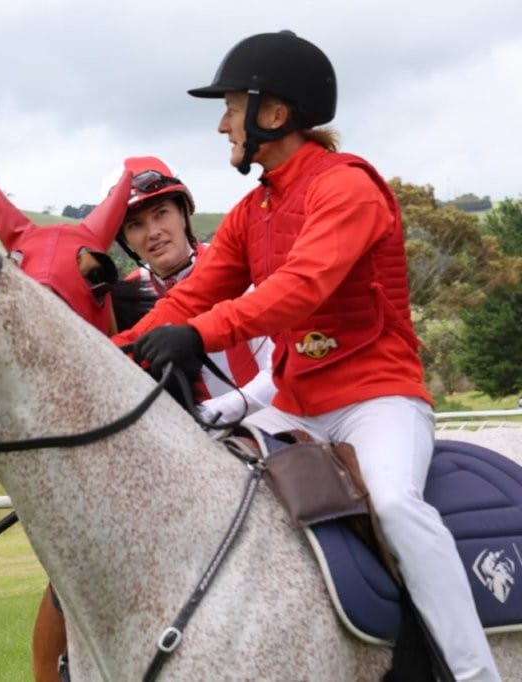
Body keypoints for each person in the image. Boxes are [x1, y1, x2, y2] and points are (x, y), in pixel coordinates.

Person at [115, 30, 500, 681]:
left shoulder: (346, 187)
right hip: (294, 407)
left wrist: (202, 337)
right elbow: (188, 300)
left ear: (273, 112)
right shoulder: (250, 211)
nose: (221, 124)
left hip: (377, 399)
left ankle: (473, 672)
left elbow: (299, 290)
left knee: (399, 506)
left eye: (231, 107)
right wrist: (107, 358)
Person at [114, 155, 275, 423]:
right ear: (126, 241)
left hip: (269, 422)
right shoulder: (126, 294)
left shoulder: (242, 271)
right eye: (135, 225)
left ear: (184, 214)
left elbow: (279, 376)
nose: (153, 232)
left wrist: (207, 416)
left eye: (161, 213)